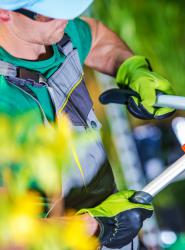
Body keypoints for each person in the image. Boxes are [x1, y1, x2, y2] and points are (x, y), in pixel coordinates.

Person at [0, 0, 175, 249]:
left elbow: (95, 36)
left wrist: (131, 69)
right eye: (50, 14)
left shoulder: (57, 36)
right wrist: (94, 226)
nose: (65, 18)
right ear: (4, 13)